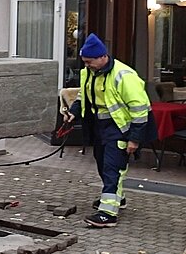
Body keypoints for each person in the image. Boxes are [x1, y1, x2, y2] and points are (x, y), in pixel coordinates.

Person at [64, 34, 151, 228]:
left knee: (113, 167)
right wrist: (73, 113)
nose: (86, 66)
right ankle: (117, 198)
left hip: (118, 128)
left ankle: (108, 213)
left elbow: (140, 108)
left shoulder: (124, 75)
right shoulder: (90, 72)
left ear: (102, 57)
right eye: (84, 62)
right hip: (98, 127)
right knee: (103, 163)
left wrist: (134, 139)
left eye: (89, 62)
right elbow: (83, 95)